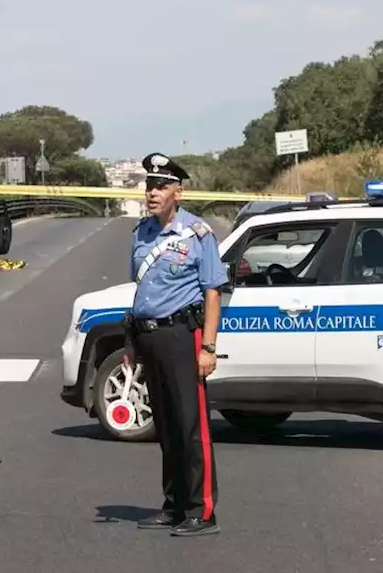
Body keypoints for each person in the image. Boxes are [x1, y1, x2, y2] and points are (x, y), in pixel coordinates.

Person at [125, 152, 227, 537]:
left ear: (178, 192)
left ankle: (202, 511)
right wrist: (133, 341)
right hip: (150, 336)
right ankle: (174, 505)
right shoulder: (142, 234)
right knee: (166, 426)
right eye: (149, 185)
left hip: (183, 336)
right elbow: (140, 290)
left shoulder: (197, 234)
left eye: (161, 186)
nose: (152, 193)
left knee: (191, 426)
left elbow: (213, 292)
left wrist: (209, 348)